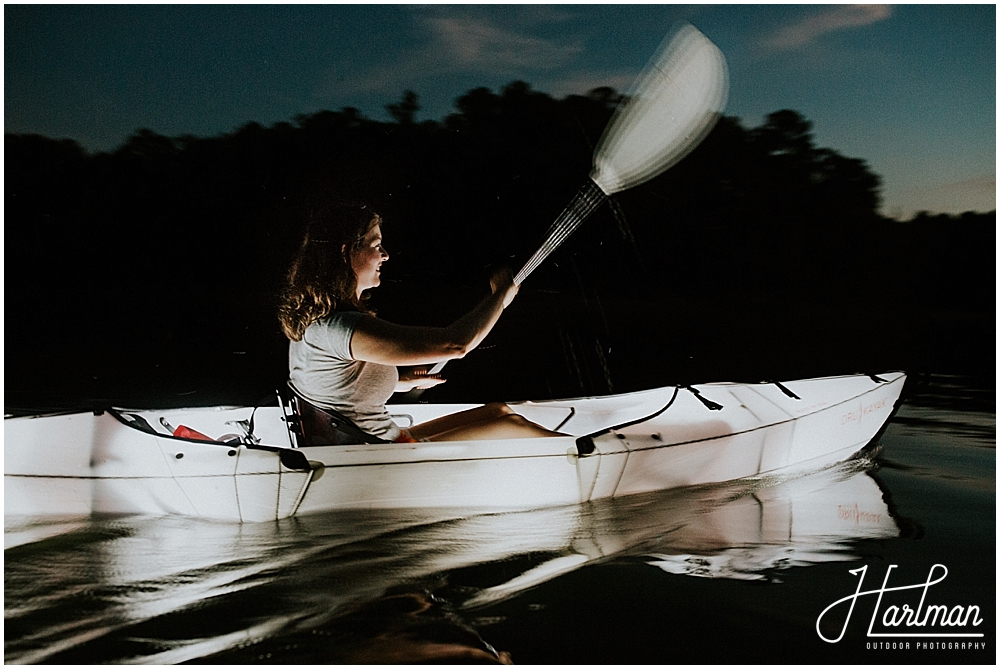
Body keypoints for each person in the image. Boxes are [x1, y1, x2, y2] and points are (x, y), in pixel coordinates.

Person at [278, 202, 563, 444]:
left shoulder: (317, 320)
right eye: (376, 246)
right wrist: (499, 296)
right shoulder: (341, 327)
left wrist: (401, 382)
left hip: (375, 443)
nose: (386, 255)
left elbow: (334, 388)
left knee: (499, 411)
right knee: (514, 427)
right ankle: (594, 456)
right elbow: (456, 344)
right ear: (345, 253)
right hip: (380, 454)